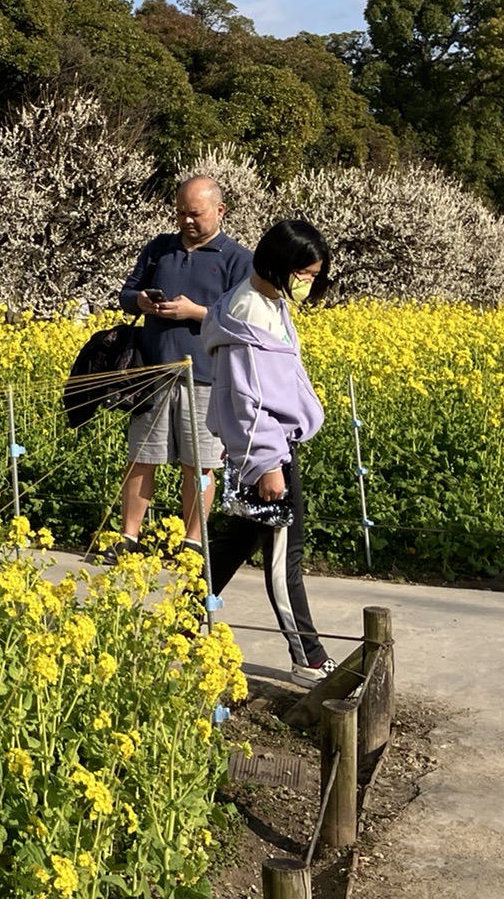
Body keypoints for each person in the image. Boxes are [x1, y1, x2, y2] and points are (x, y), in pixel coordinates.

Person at [202, 218, 335, 686]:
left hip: (276, 449)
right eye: (306, 274)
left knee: (237, 543)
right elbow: (246, 403)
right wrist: (267, 463)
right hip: (269, 456)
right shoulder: (248, 315)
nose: (309, 284)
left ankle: (178, 619)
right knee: (284, 556)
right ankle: (308, 658)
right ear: (281, 266)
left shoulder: (269, 303)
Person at [112, 175, 254, 555]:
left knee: (199, 464)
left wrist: (196, 312)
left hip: (207, 377)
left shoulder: (239, 260)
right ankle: (129, 538)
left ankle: (192, 544)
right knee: (142, 456)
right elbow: (126, 293)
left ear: (219, 211)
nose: (187, 221)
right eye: (180, 213)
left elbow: (243, 321)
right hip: (153, 372)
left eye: (196, 213)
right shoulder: (159, 248)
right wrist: (140, 301)